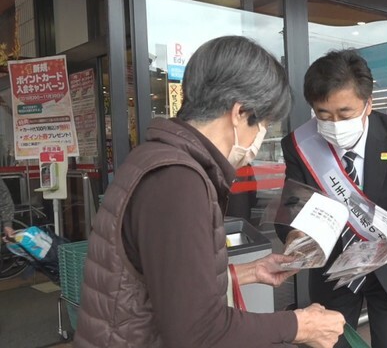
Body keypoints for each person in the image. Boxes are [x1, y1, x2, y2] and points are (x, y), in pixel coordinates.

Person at [74, 36, 344, 348]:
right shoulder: (178, 181)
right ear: (239, 113)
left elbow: (166, 283)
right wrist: (301, 325)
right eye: (264, 124)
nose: (261, 137)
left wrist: (248, 272)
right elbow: (199, 331)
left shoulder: (156, 159)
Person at [277, 49, 387, 348]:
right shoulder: (299, 145)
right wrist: (296, 234)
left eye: (345, 113)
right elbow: (293, 205)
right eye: (323, 114)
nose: (334, 123)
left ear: (368, 104)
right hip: (335, 271)